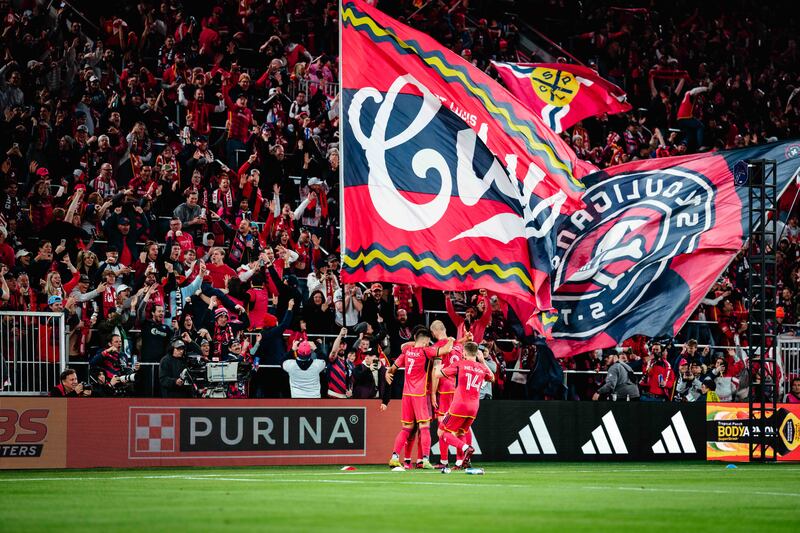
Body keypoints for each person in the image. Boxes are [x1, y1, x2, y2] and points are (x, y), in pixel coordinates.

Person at [385, 327, 453, 469]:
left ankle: (394, 457)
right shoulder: (425, 351)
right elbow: (445, 350)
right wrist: (452, 340)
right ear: (425, 341)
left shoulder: (406, 352)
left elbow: (392, 369)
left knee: (406, 429)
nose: (429, 344)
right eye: (428, 342)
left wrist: (387, 374)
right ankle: (425, 459)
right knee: (424, 427)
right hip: (420, 394)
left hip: (406, 395)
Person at [436, 341, 494, 469]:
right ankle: (460, 462)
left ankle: (466, 447)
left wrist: (438, 363)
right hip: (474, 408)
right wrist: (482, 361)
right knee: (460, 432)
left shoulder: (460, 364)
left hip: (459, 405)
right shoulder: (482, 367)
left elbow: (438, 374)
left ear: (464, 352)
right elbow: (492, 378)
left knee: (441, 432)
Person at [430, 320, 465, 466]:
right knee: (460, 428)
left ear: (434, 332)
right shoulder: (458, 345)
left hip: (445, 390)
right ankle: (460, 461)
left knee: (442, 427)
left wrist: (432, 393)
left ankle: (444, 461)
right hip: (459, 390)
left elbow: (436, 370)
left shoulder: (438, 346)